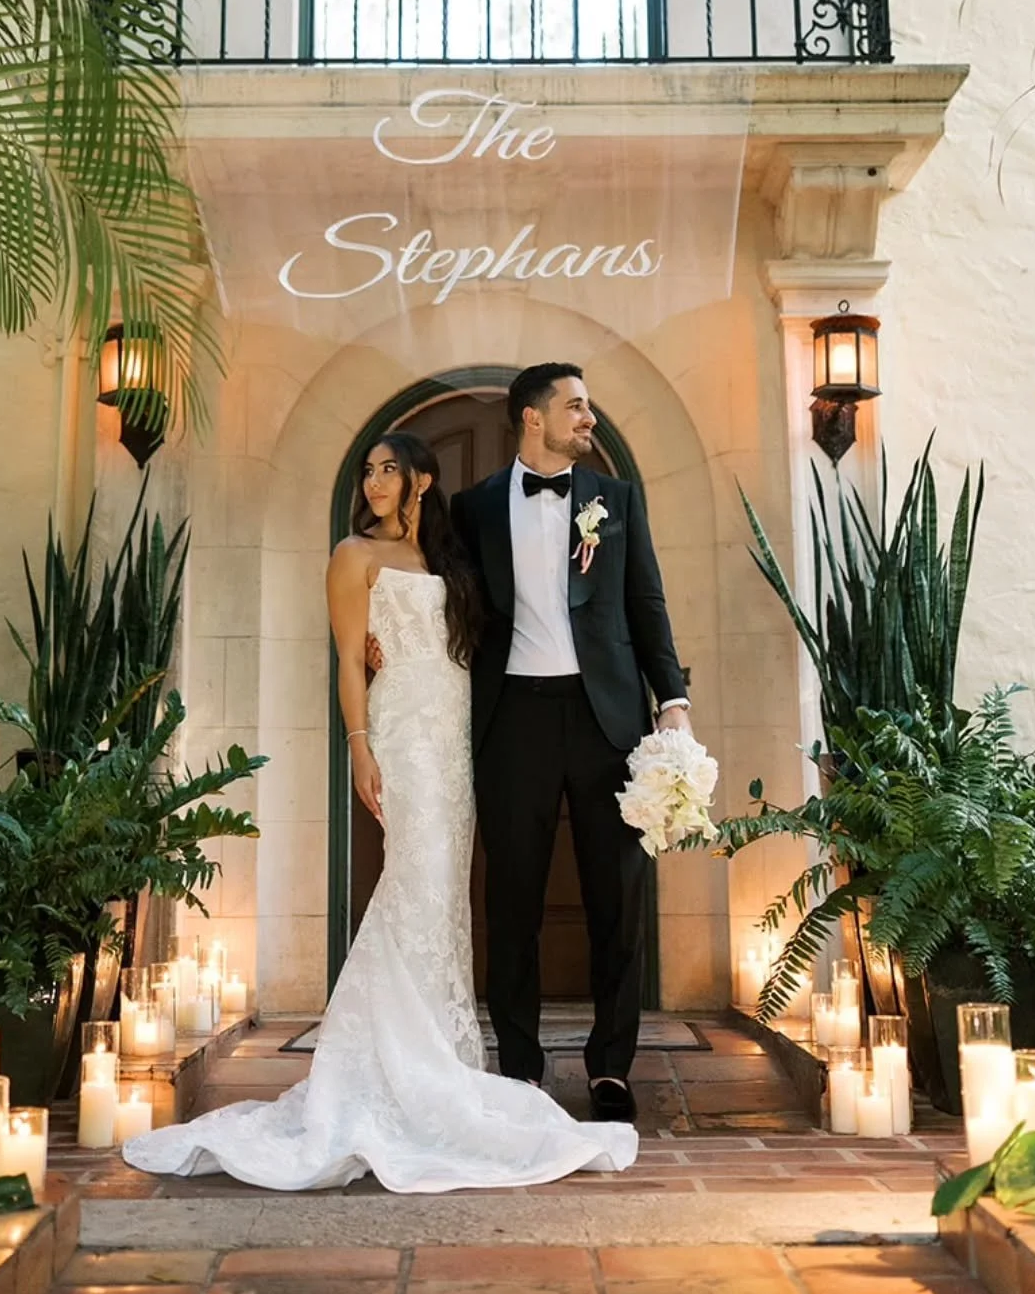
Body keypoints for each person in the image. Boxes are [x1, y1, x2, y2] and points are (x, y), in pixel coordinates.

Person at [119, 430, 637, 1191]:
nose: (373, 482)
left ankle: (444, 1057)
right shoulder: (352, 556)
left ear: (423, 480)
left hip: (456, 737)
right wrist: (360, 746)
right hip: (401, 735)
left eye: (388, 469)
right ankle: (391, 1064)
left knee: (444, 898)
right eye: (367, 471)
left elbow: (484, 644)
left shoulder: (448, 559)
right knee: (414, 881)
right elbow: (347, 660)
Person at [450, 364, 691, 1123]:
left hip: (606, 720)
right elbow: (447, 605)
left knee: (615, 898)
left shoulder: (616, 500)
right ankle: (519, 1065)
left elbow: (644, 599)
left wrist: (673, 700)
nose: (590, 417)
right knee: (511, 899)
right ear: (532, 417)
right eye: (576, 405)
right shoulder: (474, 507)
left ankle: (611, 1067)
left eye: (590, 403)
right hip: (512, 718)